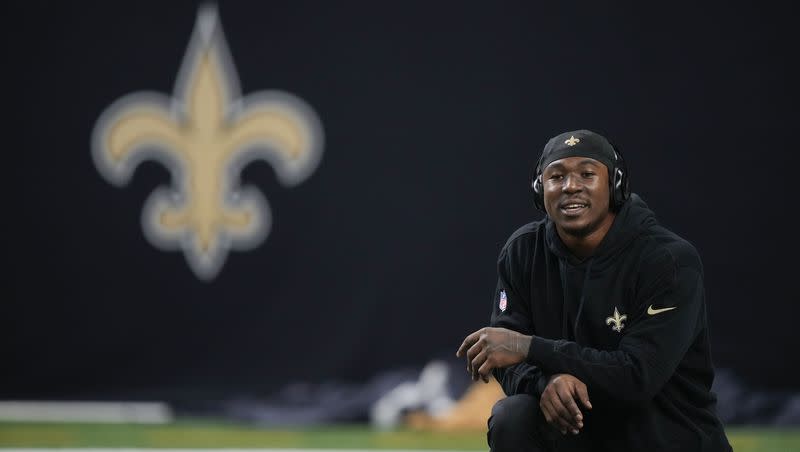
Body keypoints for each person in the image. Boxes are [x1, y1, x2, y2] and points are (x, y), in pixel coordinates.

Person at [456, 129, 732, 451]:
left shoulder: (668, 260)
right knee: (513, 416)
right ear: (539, 189)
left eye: (587, 174)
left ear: (616, 186)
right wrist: (545, 382)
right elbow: (504, 355)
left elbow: (638, 377)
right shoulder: (522, 252)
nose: (570, 186)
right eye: (556, 176)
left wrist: (529, 346)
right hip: (581, 433)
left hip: (665, 437)